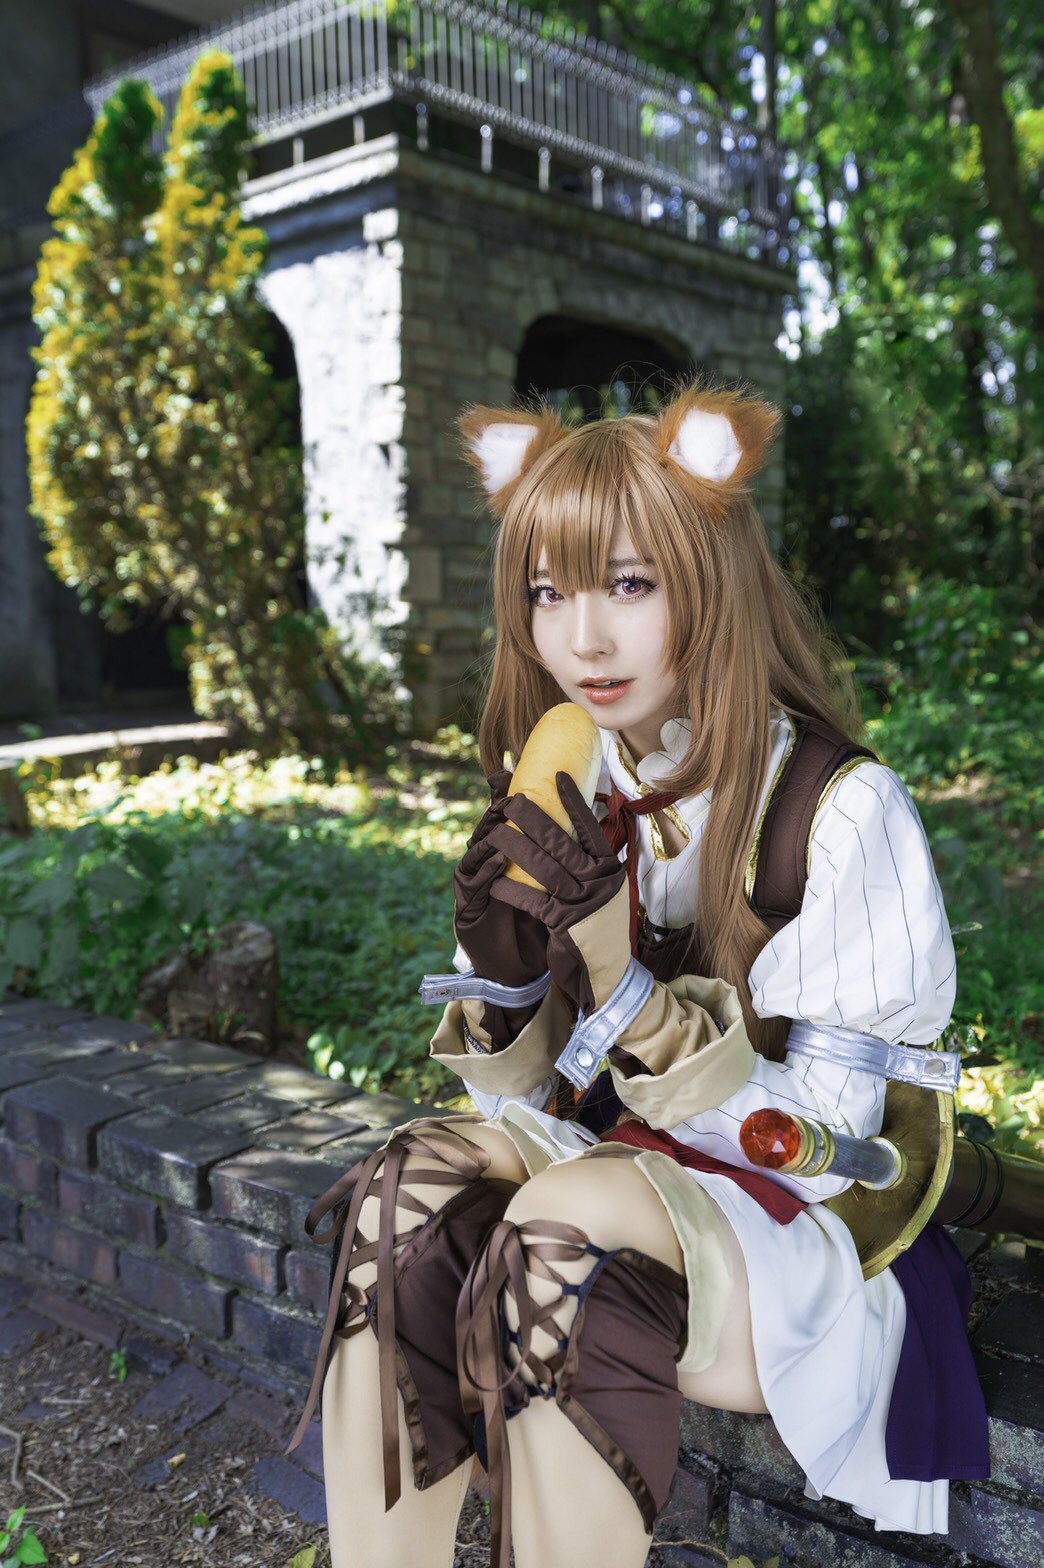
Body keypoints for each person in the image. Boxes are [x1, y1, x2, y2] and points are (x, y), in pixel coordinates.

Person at [288, 379, 988, 1568]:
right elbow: (521, 1108)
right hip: (619, 1170)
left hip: (810, 1243)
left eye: (627, 584)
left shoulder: (839, 809)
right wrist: (506, 972)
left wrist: (622, 988)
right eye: (549, 592)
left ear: (708, 578)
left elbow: (830, 1152)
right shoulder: (580, 775)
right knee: (406, 1186)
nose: (584, 640)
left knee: (560, 1220)